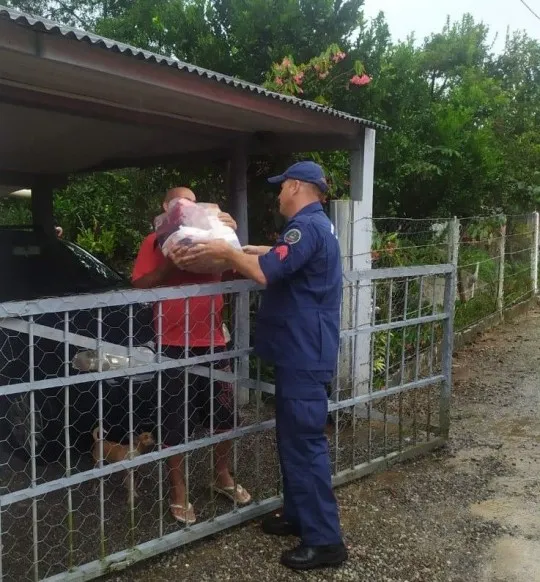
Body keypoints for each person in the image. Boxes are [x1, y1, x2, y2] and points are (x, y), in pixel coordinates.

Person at [180, 162, 347, 570]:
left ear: (295, 186)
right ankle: (298, 515)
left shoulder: (305, 228)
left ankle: (325, 541)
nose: (277, 196)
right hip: (301, 352)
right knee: (292, 440)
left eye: (281, 188)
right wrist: (236, 244)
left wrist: (225, 251)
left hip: (304, 355)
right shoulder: (315, 227)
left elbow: (263, 271)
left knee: (305, 445)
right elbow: (275, 257)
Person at [131, 186, 252, 526]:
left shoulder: (208, 234)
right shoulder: (154, 242)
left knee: (224, 414)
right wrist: (171, 264)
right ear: (165, 206)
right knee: (174, 422)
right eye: (178, 201)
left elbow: (237, 268)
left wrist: (230, 234)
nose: (186, 206)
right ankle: (178, 491)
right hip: (172, 344)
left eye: (192, 201)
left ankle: (222, 476)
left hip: (213, 339)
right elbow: (140, 286)